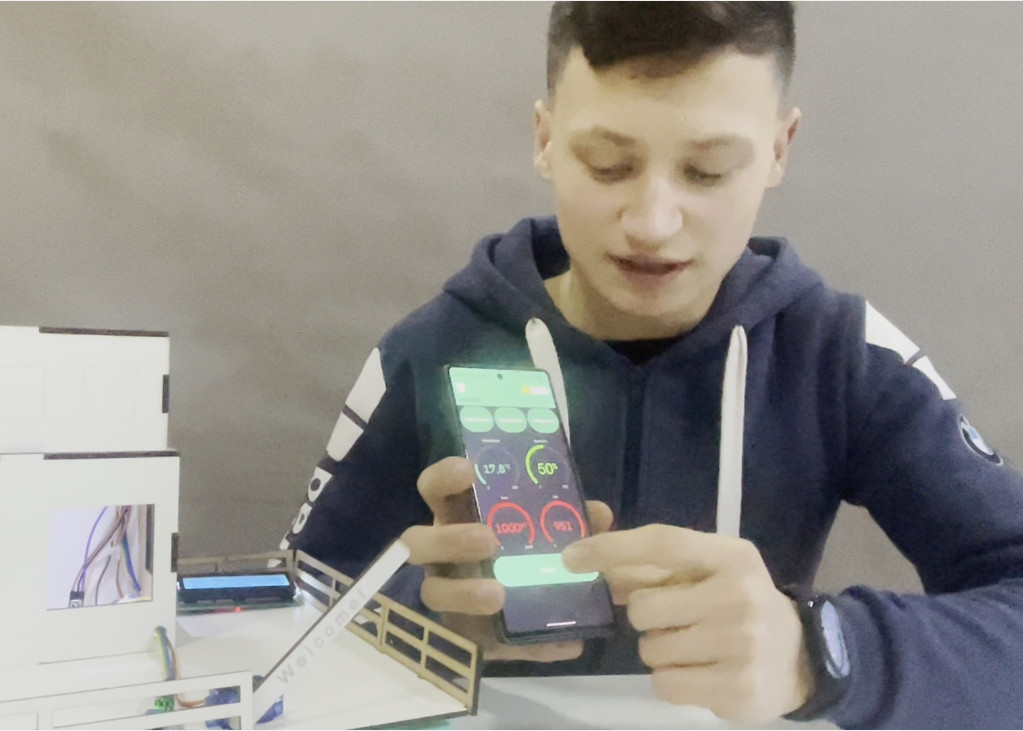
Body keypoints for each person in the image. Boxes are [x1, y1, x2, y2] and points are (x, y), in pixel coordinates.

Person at [280, 3, 1023, 727]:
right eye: (607, 166)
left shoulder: (843, 356)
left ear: (779, 149)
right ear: (545, 139)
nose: (651, 223)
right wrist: (425, 621)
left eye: (706, 171)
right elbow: (287, 612)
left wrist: (819, 651)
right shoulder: (428, 350)